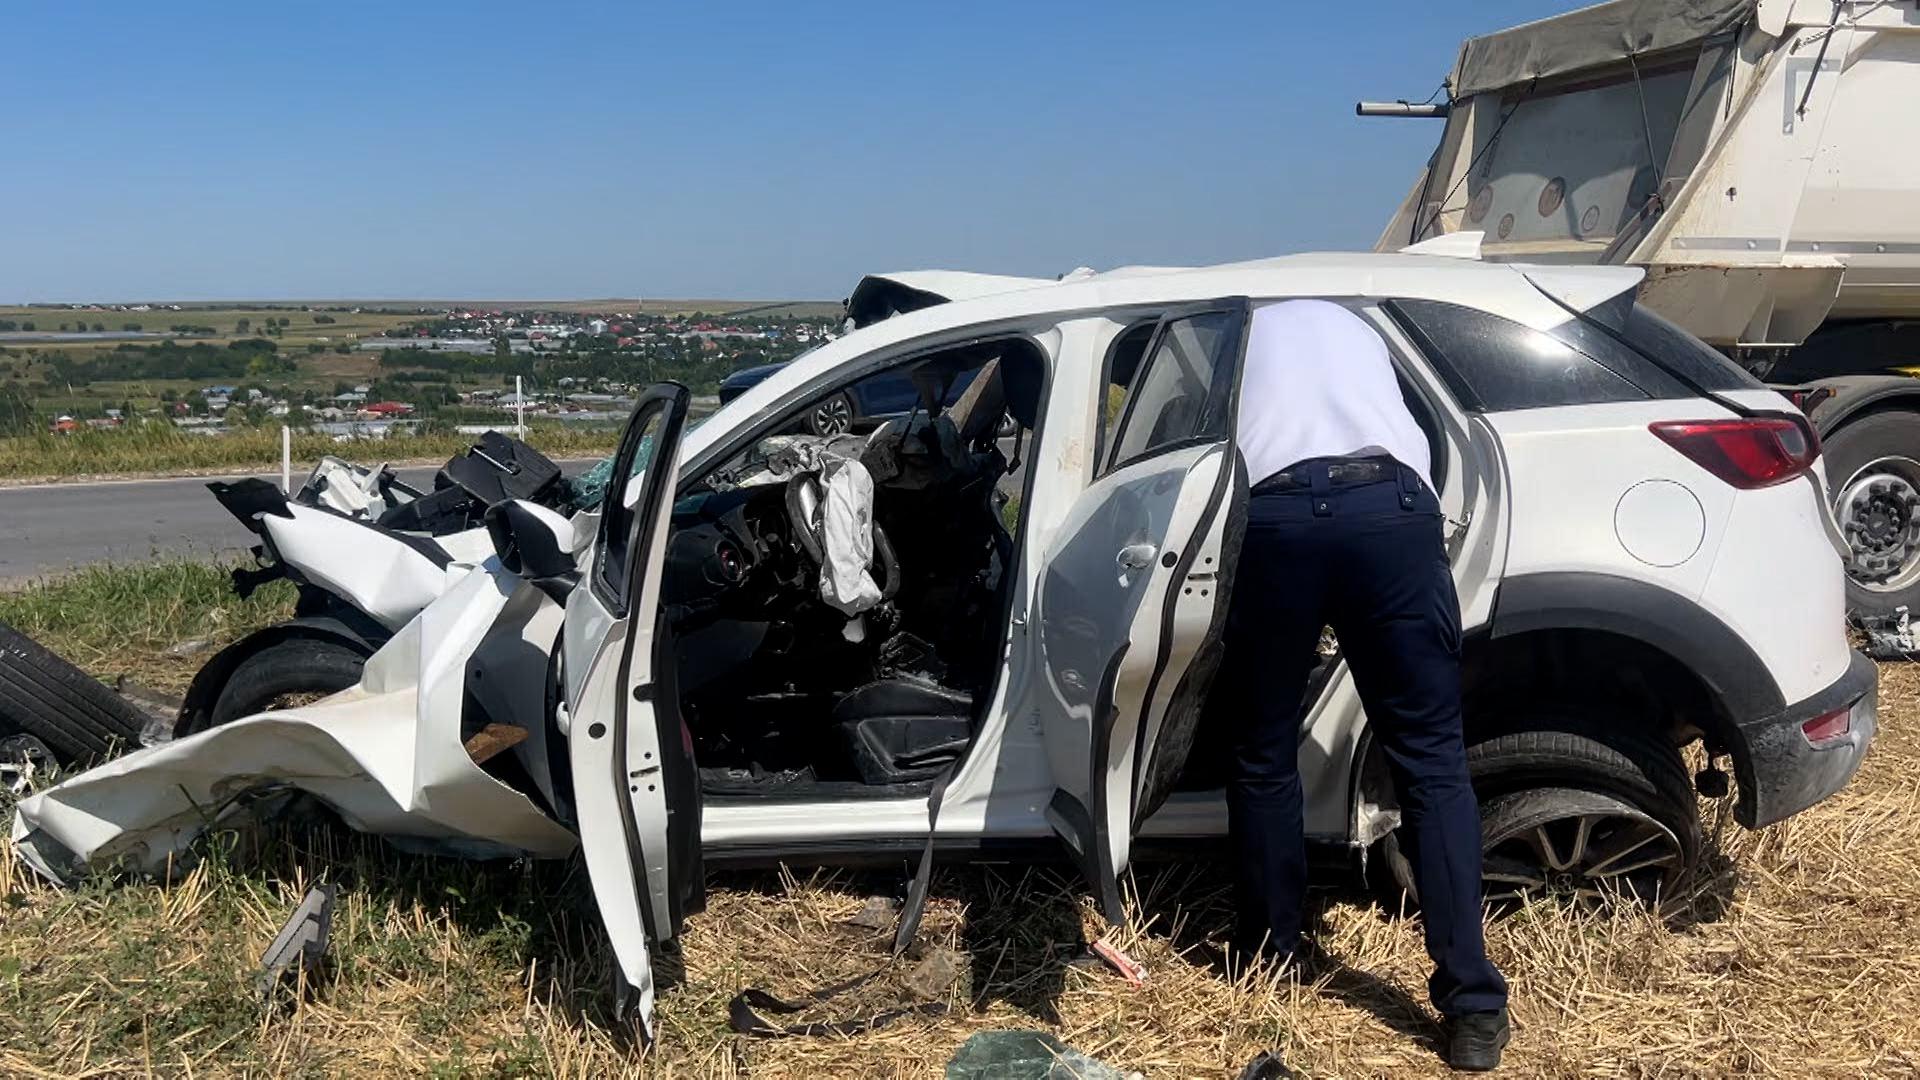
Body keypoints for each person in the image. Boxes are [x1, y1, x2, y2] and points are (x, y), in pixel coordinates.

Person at [1214, 299, 1510, 1071]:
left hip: (1277, 513)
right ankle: (1473, 1006)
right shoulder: (1357, 319)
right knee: (1432, 763)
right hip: (1394, 506)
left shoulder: (1235, 324)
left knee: (1262, 749)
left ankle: (1270, 954)